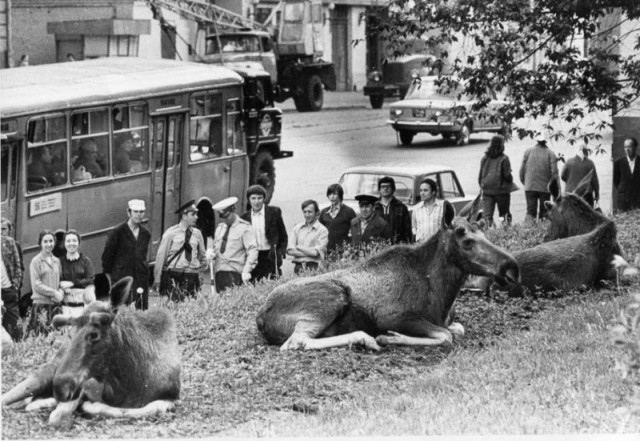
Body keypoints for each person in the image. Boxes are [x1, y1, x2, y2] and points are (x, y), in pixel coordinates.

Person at [102, 200, 151, 309]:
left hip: (140, 280)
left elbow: (143, 257)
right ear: (129, 213)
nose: (139, 214)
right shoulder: (117, 233)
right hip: (121, 278)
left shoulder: (145, 234)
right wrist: (111, 281)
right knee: (121, 311)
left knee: (141, 310)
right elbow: (107, 259)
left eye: (141, 212)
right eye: (136, 211)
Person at [153, 200, 207, 299]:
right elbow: (161, 256)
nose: (196, 217)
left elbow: (203, 255)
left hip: (191, 275)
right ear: (184, 216)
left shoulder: (197, 234)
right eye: (193, 214)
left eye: (196, 214)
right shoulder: (171, 233)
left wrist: (201, 272)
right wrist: (157, 279)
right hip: (174, 274)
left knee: (190, 309)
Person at [208, 197, 258, 292]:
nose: (225, 219)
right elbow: (216, 249)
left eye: (227, 216)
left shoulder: (245, 228)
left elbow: (252, 251)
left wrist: (246, 270)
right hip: (219, 273)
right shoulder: (220, 228)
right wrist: (211, 253)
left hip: (234, 273)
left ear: (232, 211)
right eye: (223, 217)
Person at [240, 185, 287, 281]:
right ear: (249, 200)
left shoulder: (274, 212)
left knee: (273, 282)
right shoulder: (244, 217)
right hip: (254, 256)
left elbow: (283, 236)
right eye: (253, 198)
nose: (256, 202)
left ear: (264, 199)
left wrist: (280, 252)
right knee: (254, 283)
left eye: (259, 198)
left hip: (270, 255)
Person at [28, 230, 64, 336]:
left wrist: (60, 293)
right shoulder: (36, 261)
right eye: (45, 241)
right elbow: (36, 284)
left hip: (55, 305)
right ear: (40, 244)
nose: (49, 244)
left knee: (56, 337)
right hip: (41, 305)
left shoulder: (57, 261)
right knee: (41, 338)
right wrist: (54, 293)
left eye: (51, 241)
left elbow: (61, 281)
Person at [519, 133, 558, 223]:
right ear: (545, 141)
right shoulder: (550, 153)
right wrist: (553, 188)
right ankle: (543, 231)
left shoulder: (528, 151)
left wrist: (525, 183)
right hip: (545, 187)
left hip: (530, 186)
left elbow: (522, 170)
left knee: (530, 211)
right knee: (545, 212)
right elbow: (554, 173)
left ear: (536, 140)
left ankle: (528, 232)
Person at [478, 134, 514, 226]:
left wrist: (483, 186)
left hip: (487, 190)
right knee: (503, 213)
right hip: (501, 191)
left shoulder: (484, 158)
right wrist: (510, 180)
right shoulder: (504, 159)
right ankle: (504, 228)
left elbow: (480, 175)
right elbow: (507, 175)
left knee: (487, 215)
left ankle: (488, 230)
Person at [287, 200, 329, 274]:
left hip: (314, 267)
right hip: (298, 267)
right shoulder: (297, 228)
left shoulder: (322, 230)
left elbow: (316, 253)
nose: (307, 215)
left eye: (310, 212)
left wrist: (300, 247)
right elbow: (290, 250)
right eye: (305, 212)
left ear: (317, 213)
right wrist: (309, 252)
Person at [60, 230, 96, 313]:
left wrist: (72, 283)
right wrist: (62, 286)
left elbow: (90, 279)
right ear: (64, 243)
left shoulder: (85, 261)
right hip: (66, 304)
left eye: (74, 240)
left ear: (79, 243)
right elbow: (57, 278)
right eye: (68, 241)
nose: (71, 243)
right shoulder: (60, 262)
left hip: (83, 303)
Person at [319, 183, 356, 255]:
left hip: (343, 251)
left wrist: (349, 249)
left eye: (335, 194)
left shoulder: (349, 211)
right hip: (327, 250)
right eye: (330, 194)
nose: (332, 196)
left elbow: (354, 232)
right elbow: (319, 231)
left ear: (340, 195)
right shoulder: (324, 212)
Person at [374, 176, 412, 244]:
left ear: (393, 189)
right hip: (377, 245)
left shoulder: (401, 207)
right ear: (379, 190)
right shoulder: (374, 208)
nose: (385, 189)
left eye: (388, 186)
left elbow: (407, 231)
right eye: (383, 187)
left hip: (396, 245)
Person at [412, 178, 449, 243]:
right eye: (421, 190)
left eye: (425, 190)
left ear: (433, 192)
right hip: (421, 247)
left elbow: (448, 229)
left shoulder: (442, 207)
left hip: (438, 247)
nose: (422, 193)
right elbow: (414, 229)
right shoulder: (416, 209)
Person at [1, 232, 23, 341]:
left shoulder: (8, 242)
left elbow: (17, 265)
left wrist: (15, 285)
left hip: (8, 291)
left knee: (16, 329)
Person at [613, 137, 640, 212]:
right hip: (623, 201)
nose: (627, 149)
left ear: (635, 147)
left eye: (630, 147)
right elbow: (616, 181)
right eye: (625, 147)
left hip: (638, 200)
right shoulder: (619, 163)